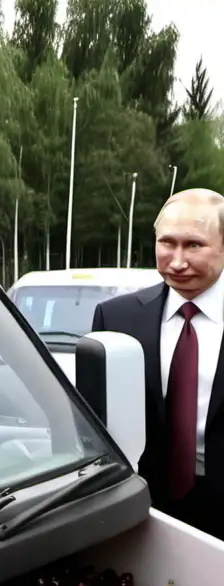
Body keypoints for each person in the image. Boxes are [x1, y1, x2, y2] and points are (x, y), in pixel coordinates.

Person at [91, 188, 224, 537]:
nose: (177, 261)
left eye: (194, 245)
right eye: (167, 243)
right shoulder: (116, 318)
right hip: (148, 507)